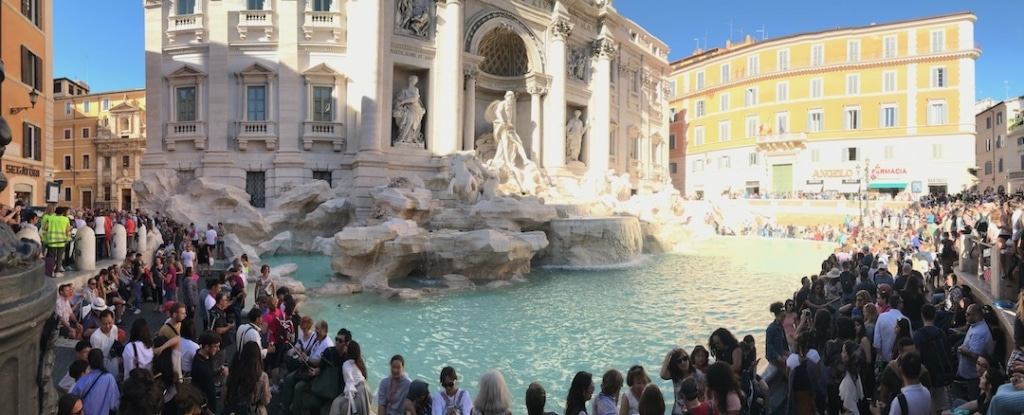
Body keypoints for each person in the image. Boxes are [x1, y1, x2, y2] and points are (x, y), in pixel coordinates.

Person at [913, 303, 954, 410]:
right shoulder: (941, 333)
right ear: (934, 316)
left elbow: (916, 357)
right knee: (941, 406)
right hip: (939, 376)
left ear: (922, 315)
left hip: (925, 377)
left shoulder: (917, 335)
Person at [956, 303, 993, 401]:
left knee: (973, 399)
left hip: (974, 376)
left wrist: (963, 350)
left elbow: (976, 355)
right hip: (969, 374)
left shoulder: (979, 332)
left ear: (976, 315)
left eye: (968, 314)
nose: (965, 315)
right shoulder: (975, 326)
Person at [225, 341, 271, 415]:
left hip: (234, 409)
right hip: (253, 410)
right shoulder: (262, 376)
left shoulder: (234, 373)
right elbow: (266, 400)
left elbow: (225, 395)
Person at [70, 349, 120, 415]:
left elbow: (73, 401)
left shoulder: (83, 380)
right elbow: (115, 403)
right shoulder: (109, 378)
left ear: (88, 360)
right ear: (102, 360)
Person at [331, 340, 373, 415]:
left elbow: (349, 383)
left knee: (336, 403)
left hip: (356, 391)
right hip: (366, 390)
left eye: (347, 346)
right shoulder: (360, 362)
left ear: (349, 350)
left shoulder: (346, 364)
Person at [190, 331, 224, 414]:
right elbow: (200, 392)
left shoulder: (203, 356)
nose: (218, 349)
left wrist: (217, 372)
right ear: (206, 347)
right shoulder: (201, 368)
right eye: (215, 346)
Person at [875, 293, 910, 364]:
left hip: (885, 358)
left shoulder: (881, 317)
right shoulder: (905, 319)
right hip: (901, 360)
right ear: (900, 304)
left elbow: (877, 341)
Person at [837, 341, 866, 414]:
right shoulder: (855, 374)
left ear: (849, 355)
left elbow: (849, 408)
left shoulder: (848, 380)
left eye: (843, 352)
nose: (841, 354)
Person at [88, 309, 121, 374]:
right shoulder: (96, 337)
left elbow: (115, 343)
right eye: (104, 324)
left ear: (113, 321)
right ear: (99, 322)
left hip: (112, 359)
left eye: (110, 323)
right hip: (102, 365)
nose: (108, 326)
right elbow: (96, 358)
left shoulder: (114, 328)